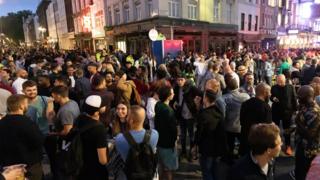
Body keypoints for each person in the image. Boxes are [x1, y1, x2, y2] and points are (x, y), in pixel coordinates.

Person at [0, 95, 44, 180]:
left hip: (8, 167)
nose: (27, 106)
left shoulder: (2, 122)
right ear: (21, 106)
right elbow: (39, 141)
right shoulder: (27, 122)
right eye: (26, 103)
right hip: (29, 166)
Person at [115, 105, 159, 179]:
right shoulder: (154, 134)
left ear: (131, 120)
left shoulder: (120, 138)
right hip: (149, 175)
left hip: (129, 176)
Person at [194, 89, 227, 180]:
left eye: (204, 96)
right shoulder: (219, 112)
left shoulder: (204, 114)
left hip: (206, 149)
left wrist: (195, 145)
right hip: (217, 149)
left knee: (207, 172)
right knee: (215, 172)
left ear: (206, 99)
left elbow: (200, 132)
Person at [77, 95, 108, 180]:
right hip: (95, 171)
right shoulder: (99, 128)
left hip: (80, 167)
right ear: (96, 112)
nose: (105, 107)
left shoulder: (80, 119)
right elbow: (103, 160)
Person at [173, 72, 201, 160]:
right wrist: (175, 101)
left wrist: (196, 104)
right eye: (178, 80)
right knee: (183, 135)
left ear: (185, 80)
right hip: (181, 114)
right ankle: (183, 152)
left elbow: (201, 94)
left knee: (191, 135)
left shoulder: (191, 88)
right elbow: (176, 98)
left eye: (181, 79)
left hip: (190, 115)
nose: (179, 81)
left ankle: (191, 153)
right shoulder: (177, 88)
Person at [239, 83, 273, 155]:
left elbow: (241, 121)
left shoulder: (245, 103)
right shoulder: (266, 107)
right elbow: (267, 128)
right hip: (258, 145)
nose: (270, 94)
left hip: (245, 140)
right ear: (264, 92)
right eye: (269, 92)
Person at [222, 73, 250, 159]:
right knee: (243, 144)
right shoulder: (246, 96)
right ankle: (242, 158)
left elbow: (223, 113)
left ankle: (229, 159)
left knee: (230, 144)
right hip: (241, 125)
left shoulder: (224, 98)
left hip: (229, 125)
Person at [295, 85, 320, 180]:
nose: (298, 99)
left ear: (307, 97)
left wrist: (298, 123)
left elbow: (310, 135)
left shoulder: (315, 112)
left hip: (310, 151)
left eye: (300, 97)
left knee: (304, 174)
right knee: (299, 172)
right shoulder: (304, 106)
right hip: (301, 145)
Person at [155, 85, 178, 180]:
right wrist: (175, 141)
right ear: (168, 96)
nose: (174, 94)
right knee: (168, 169)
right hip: (168, 143)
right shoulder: (169, 110)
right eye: (172, 93)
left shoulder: (158, 105)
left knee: (161, 166)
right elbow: (173, 130)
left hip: (159, 140)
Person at [271, 74, 297, 156]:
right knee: (275, 129)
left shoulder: (290, 87)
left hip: (287, 112)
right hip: (276, 111)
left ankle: (288, 145)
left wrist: (295, 109)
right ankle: (275, 145)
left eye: (281, 81)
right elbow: (271, 96)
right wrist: (273, 98)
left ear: (285, 80)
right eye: (278, 81)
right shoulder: (274, 87)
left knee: (287, 130)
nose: (279, 83)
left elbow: (294, 98)